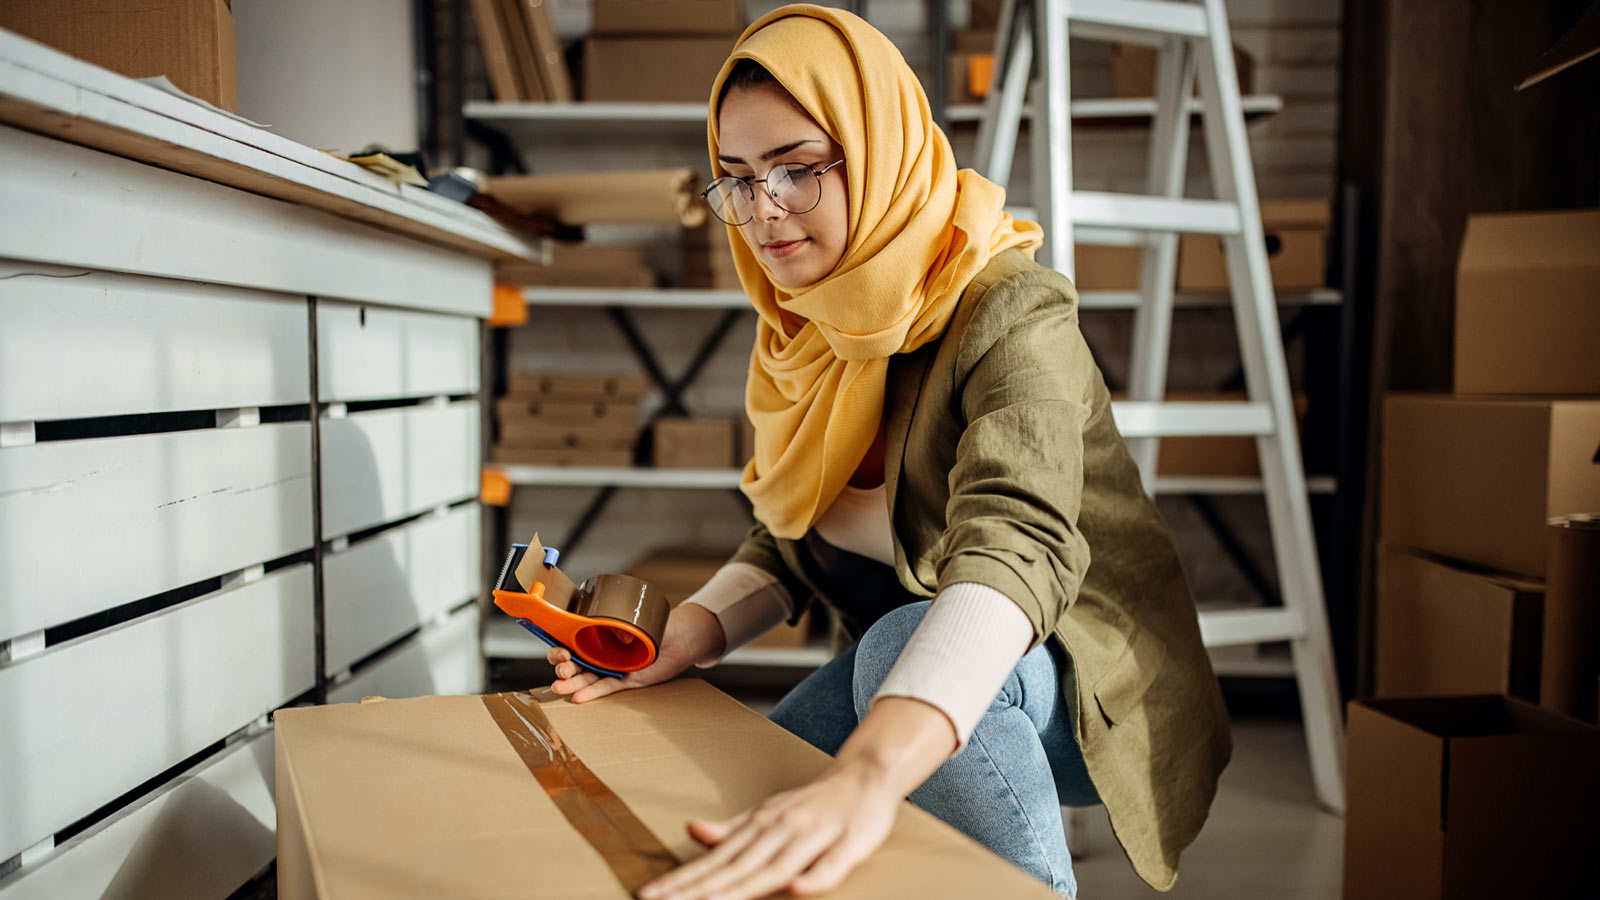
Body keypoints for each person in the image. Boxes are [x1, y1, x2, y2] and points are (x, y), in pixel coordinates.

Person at [546, 5, 1232, 899]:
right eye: (737, 180)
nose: (763, 212)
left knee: (884, 670)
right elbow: (792, 528)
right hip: (915, 680)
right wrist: (690, 632)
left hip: (1089, 685)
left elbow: (1016, 544)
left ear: (878, 147)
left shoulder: (1014, 313)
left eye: (796, 170)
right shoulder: (804, 323)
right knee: (758, 785)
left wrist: (868, 774)